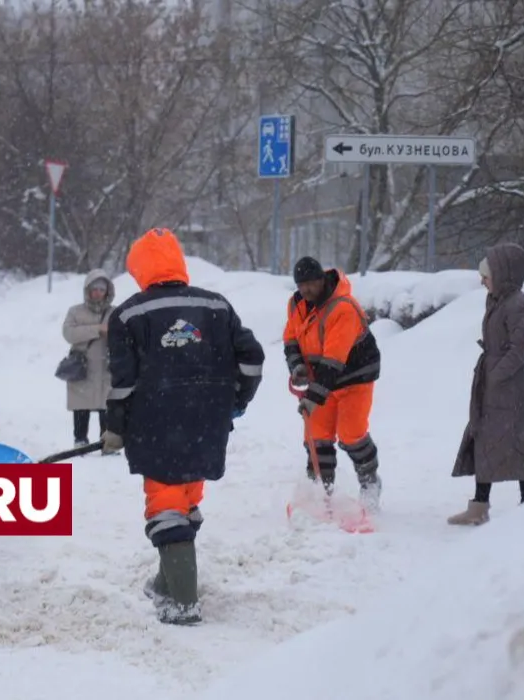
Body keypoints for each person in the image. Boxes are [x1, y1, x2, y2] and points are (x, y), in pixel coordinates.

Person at [101, 228, 265, 625]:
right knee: (186, 500)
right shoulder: (217, 307)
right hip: (208, 424)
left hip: (155, 424)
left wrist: (115, 427)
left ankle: (183, 605)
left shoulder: (128, 314)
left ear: (139, 268)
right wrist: (235, 401)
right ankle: (165, 584)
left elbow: (123, 382)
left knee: (167, 506)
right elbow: (253, 359)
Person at [448, 243, 524, 526]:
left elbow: (519, 348)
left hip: (512, 389)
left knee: (519, 443)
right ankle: (479, 506)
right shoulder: (497, 299)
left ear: (503, 274)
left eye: (486, 276)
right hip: (491, 385)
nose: (482, 281)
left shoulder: (517, 304)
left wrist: (498, 374)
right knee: (485, 441)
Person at [283, 256, 383, 511]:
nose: (306, 290)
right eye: (301, 285)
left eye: (311, 284)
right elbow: (291, 339)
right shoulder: (296, 304)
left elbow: (333, 361)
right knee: (317, 437)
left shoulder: (343, 308)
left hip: (354, 377)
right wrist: (297, 367)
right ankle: (321, 492)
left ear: (322, 280)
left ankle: (370, 483)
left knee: (351, 434)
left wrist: (313, 398)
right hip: (323, 380)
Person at [61, 269, 116, 450]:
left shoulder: (115, 313)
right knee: (80, 404)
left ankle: (106, 442)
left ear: (107, 291)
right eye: (94, 289)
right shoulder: (75, 312)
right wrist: (97, 329)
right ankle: (80, 440)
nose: (98, 293)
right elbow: (69, 334)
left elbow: (125, 335)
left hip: (106, 366)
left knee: (106, 404)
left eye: (101, 289)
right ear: (88, 290)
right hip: (82, 365)